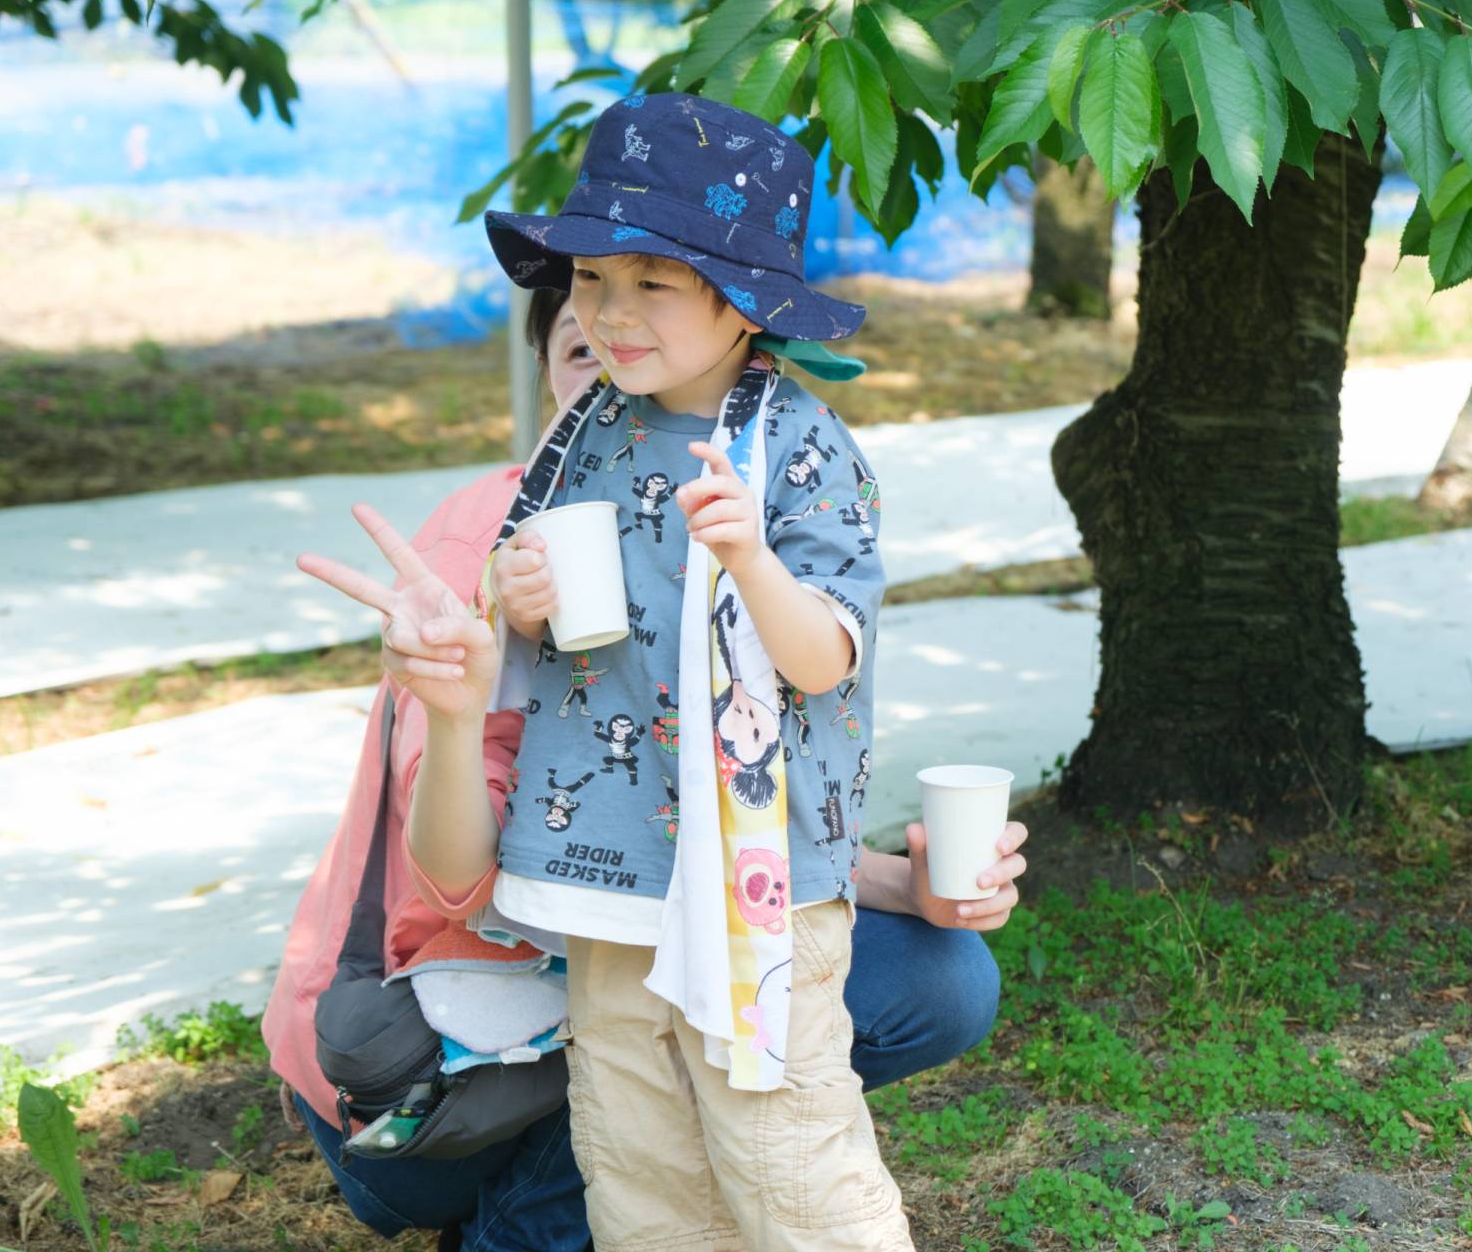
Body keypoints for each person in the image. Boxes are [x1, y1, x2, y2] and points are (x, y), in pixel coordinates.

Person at [280, 93, 1027, 1250]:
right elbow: (462, 837)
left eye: (652, 283)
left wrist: (750, 559)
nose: (610, 316)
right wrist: (502, 616)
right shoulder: (584, 446)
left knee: (782, 1145)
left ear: (745, 304)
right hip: (579, 903)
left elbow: (825, 658)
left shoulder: (797, 447)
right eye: (587, 282)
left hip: (753, 891)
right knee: (637, 1161)